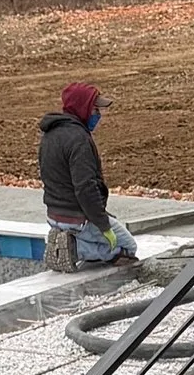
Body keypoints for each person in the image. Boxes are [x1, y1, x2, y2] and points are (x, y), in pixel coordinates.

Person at [38, 80, 140, 273]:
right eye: (95, 109)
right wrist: (102, 223)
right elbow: (85, 188)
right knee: (127, 248)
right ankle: (74, 248)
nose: (98, 115)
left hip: (54, 215)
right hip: (78, 219)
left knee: (111, 239)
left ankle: (70, 241)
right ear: (83, 109)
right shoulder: (79, 140)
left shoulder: (49, 135)